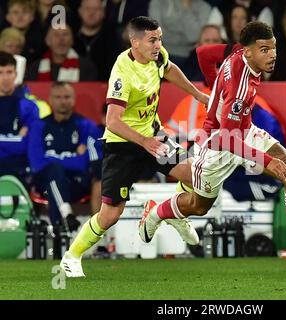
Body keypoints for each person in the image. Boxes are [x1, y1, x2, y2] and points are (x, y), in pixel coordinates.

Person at [139, 21, 286, 263]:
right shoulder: (239, 90)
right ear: (249, 51)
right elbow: (227, 139)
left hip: (243, 131)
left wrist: (214, 87)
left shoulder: (235, 51)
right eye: (264, 50)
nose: (272, 55)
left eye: (273, 48)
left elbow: (203, 53)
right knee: (199, 207)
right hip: (216, 146)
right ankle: (156, 212)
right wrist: (267, 161)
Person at [59, 16, 209, 277]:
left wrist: (197, 93)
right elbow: (112, 121)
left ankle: (173, 213)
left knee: (195, 174)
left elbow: (169, 67)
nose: (158, 44)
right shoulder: (122, 73)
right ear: (135, 42)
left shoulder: (156, 54)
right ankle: (71, 256)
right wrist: (144, 142)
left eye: (160, 38)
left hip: (153, 136)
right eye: (152, 40)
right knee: (110, 214)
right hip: (124, 145)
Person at [27, 82, 102, 231]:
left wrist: (53, 160)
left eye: (67, 97)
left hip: (77, 184)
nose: (63, 101)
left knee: (55, 177)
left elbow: (90, 163)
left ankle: (59, 228)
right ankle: (66, 221)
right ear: (50, 99)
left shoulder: (87, 126)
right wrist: (74, 158)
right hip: (43, 186)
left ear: (73, 100)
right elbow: (37, 164)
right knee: (54, 174)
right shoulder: (38, 126)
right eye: (58, 97)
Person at [0, 51, 39, 186]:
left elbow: (26, 145)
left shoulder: (29, 107)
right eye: (0, 73)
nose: (5, 78)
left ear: (16, 74)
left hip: (20, 168)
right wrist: (16, 138)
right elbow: (19, 142)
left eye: (9, 72)